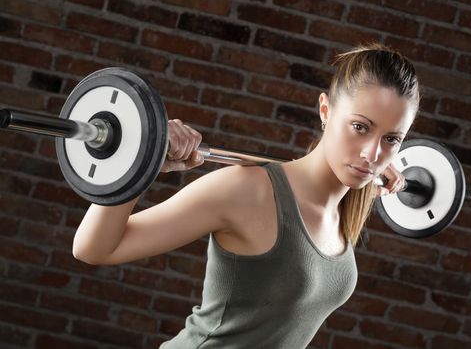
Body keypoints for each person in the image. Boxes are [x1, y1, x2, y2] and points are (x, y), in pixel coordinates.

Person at [73, 43, 419, 348]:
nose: (372, 153)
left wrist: (383, 173)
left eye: (392, 139)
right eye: (360, 127)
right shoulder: (247, 190)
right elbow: (94, 248)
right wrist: (139, 162)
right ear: (325, 111)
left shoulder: (349, 201)